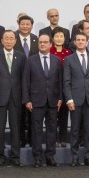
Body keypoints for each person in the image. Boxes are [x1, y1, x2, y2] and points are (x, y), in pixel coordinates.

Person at [23, 34, 62, 167]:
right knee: (36, 130)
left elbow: (60, 81)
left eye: (45, 42)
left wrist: (61, 98)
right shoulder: (30, 60)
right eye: (40, 42)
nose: (43, 44)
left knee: (52, 129)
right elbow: (26, 82)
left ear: (51, 44)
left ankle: (50, 156)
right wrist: (27, 100)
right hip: (36, 100)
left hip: (53, 100)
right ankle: (37, 157)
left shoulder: (57, 60)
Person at [0, 30, 26, 167]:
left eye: (12, 38)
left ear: (15, 41)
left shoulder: (21, 57)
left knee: (15, 127)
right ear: (2, 41)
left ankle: (15, 156)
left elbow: (24, 78)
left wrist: (25, 96)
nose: (9, 41)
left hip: (16, 96)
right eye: (6, 38)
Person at [63, 33, 89, 166]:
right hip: (75, 100)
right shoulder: (69, 59)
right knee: (75, 130)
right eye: (78, 40)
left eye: (83, 40)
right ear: (74, 42)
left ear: (87, 43)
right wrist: (69, 99)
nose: (80, 42)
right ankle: (75, 157)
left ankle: (88, 156)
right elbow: (66, 82)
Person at [49, 30, 72, 147]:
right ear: (52, 39)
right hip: (52, 88)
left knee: (64, 115)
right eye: (56, 36)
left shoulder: (69, 53)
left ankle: (62, 139)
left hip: (65, 88)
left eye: (61, 36)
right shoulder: (48, 52)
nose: (59, 38)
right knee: (53, 117)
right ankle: (53, 139)